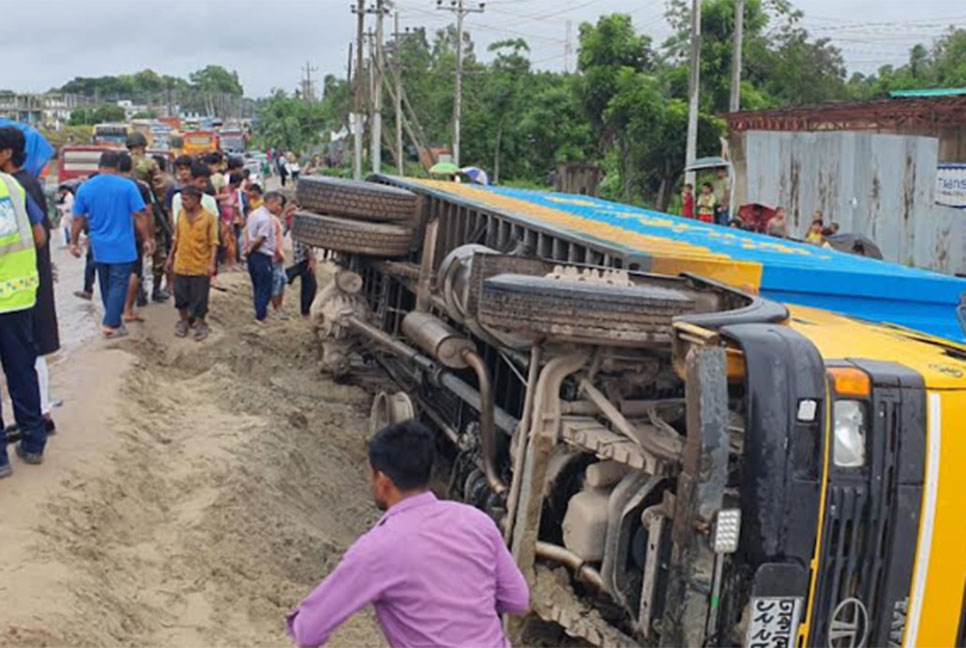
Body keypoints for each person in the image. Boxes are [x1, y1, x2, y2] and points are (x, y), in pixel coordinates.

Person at [287, 420, 529, 647]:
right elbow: (518, 599)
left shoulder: (377, 548)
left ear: (382, 481)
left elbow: (308, 631)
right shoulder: (477, 521)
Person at [0, 127, 58, 439]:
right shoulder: (19, 185)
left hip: (15, 291)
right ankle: (34, 431)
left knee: (26, 363)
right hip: (23, 289)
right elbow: (39, 235)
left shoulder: (16, 184)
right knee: (24, 365)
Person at [70, 150, 154, 338]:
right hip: (123, 245)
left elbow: (77, 218)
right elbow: (140, 215)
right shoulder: (127, 187)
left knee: (106, 284)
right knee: (118, 283)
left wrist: (73, 242)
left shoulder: (85, 188)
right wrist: (147, 238)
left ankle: (115, 322)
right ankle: (109, 323)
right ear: (117, 166)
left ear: (99, 166)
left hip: (99, 245)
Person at [0, 170, 48, 474]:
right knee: (21, 371)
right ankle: (33, 443)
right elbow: (40, 235)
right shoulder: (10, 183)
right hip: (18, 295)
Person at [165, 186, 218, 341]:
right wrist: (170, 258)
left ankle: (200, 324)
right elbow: (176, 238)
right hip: (181, 264)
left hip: (200, 264)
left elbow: (214, 242)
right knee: (180, 296)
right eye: (182, 199)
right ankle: (183, 321)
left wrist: (212, 264)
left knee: (200, 298)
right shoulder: (181, 215)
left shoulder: (209, 218)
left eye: (186, 199)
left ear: (197, 200)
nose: (183, 203)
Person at [127, 131, 170, 303]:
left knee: (135, 255)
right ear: (143, 146)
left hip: (128, 215)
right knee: (158, 251)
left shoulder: (122, 163)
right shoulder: (150, 163)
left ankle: (138, 292)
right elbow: (160, 189)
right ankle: (156, 290)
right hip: (148, 209)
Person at [117, 152, 152, 324]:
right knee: (134, 271)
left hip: (111, 234)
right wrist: (149, 237)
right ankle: (128, 310)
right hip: (134, 234)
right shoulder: (140, 187)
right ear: (132, 167)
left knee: (114, 272)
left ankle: (113, 311)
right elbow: (146, 213)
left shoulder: (108, 186)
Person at [245, 191, 284, 322]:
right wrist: (251, 249)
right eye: (277, 205)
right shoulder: (266, 218)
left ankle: (259, 312)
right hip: (261, 255)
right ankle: (261, 315)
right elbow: (261, 238)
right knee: (265, 287)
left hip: (253, 256)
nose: (279, 208)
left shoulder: (253, 214)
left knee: (257, 285)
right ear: (271, 203)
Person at [286, 238, 318, 319]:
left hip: (301, 259)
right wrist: (311, 259)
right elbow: (305, 246)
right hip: (304, 260)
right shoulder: (304, 229)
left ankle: (305, 311)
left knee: (308, 286)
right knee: (310, 287)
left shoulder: (299, 228)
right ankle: (305, 311)